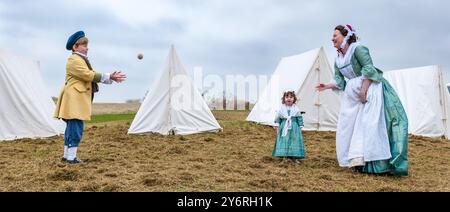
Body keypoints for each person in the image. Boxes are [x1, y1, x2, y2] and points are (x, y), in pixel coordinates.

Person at [316, 25, 408, 176]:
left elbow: (369, 69)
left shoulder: (358, 49)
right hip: (352, 95)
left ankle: (376, 164)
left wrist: (363, 91)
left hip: (370, 89)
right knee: (348, 125)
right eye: (332, 36)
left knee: (369, 125)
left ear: (345, 36)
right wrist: (327, 86)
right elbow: (339, 78)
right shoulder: (338, 58)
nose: (332, 39)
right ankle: (354, 159)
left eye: (335, 35)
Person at [54, 31, 127, 164]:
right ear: (75, 47)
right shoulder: (74, 59)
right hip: (74, 98)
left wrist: (109, 77)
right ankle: (71, 158)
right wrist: (109, 76)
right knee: (76, 128)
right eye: (83, 45)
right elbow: (87, 75)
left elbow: (90, 74)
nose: (87, 48)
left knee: (71, 128)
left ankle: (66, 156)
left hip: (75, 98)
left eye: (87, 45)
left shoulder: (80, 59)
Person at [272, 91, 305, 163]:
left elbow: (299, 117)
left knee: (294, 141)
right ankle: (285, 156)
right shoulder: (281, 109)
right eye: (287, 97)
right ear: (284, 99)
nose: (289, 98)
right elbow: (278, 118)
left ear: (294, 99)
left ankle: (294, 157)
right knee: (284, 140)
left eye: (291, 97)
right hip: (284, 127)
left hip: (294, 127)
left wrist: (300, 126)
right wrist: (277, 126)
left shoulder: (296, 109)